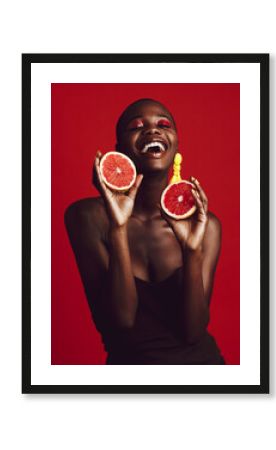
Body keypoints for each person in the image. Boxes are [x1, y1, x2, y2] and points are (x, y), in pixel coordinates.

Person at [65, 98, 225, 365]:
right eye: (137, 126)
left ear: (176, 147)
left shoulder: (204, 225)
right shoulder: (87, 217)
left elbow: (193, 332)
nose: (153, 130)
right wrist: (118, 229)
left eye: (163, 124)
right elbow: (121, 322)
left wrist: (192, 251)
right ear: (119, 151)